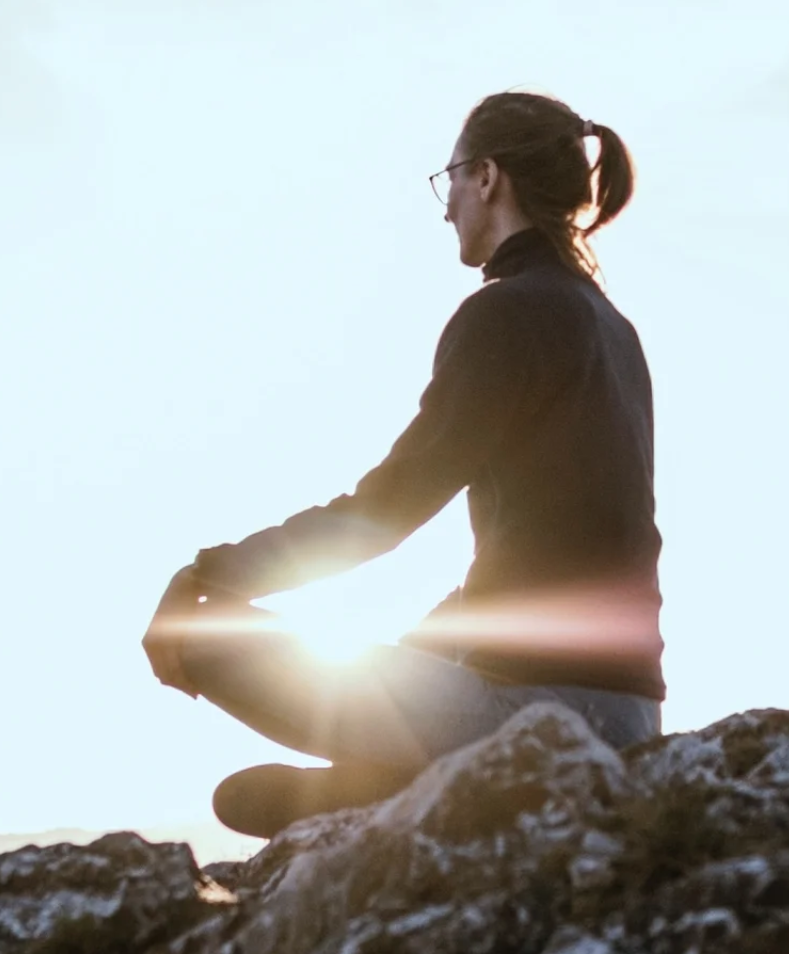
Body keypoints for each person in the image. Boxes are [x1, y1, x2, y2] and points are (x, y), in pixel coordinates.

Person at [142, 90, 666, 837]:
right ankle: (397, 785)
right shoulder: (613, 329)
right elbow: (565, 548)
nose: (446, 204)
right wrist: (427, 644)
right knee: (425, 641)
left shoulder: (508, 313)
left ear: (487, 177)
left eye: (451, 178)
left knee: (199, 633)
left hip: (543, 720)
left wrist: (208, 575)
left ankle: (398, 790)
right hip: (630, 716)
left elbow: (384, 512)